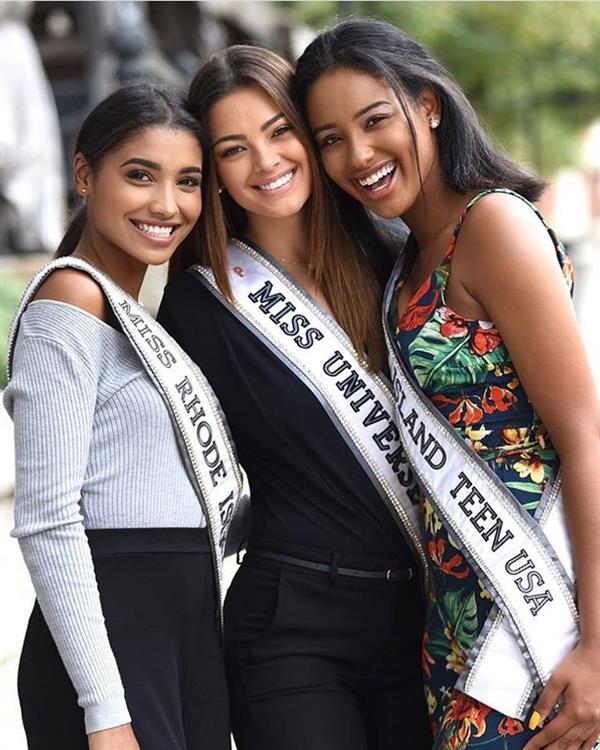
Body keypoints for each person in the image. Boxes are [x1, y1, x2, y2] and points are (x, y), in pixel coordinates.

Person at [293, 17, 600, 750]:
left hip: (542, 637)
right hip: (456, 644)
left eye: (375, 121)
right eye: (331, 139)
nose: (359, 155)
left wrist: (597, 649)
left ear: (428, 104)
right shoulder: (404, 262)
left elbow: (586, 441)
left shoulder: (492, 226)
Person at [158, 45, 431, 750]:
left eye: (280, 131)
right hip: (292, 626)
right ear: (213, 172)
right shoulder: (199, 306)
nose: (266, 161)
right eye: (233, 149)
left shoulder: (394, 253)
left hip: (425, 619)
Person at [4, 83, 245, 750]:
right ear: (85, 174)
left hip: (180, 627)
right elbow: (47, 519)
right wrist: (105, 711)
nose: (167, 205)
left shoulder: (130, 312)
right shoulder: (70, 300)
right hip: (114, 636)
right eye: (140, 175)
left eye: (189, 182)